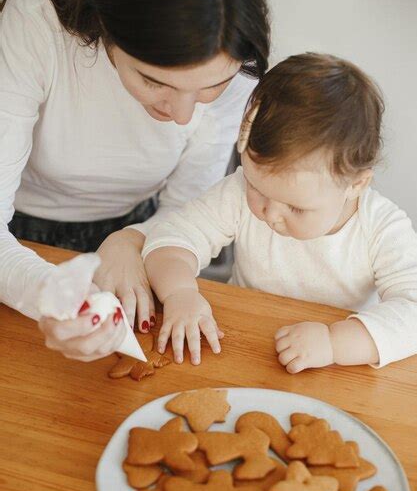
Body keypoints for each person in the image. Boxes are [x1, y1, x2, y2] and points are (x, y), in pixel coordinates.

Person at [0, 0, 269, 361]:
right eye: (154, 81)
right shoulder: (36, 21)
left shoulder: (239, 64)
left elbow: (188, 206)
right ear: (106, 25)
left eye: (211, 87)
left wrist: (133, 238)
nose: (182, 115)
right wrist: (51, 294)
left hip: (143, 233)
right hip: (20, 239)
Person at [142, 53, 417, 373]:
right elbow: (171, 237)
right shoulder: (238, 192)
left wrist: (334, 343)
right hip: (243, 346)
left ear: (355, 185)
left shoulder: (382, 228)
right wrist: (179, 292)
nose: (270, 213)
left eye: (297, 207)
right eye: (257, 188)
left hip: (337, 368)